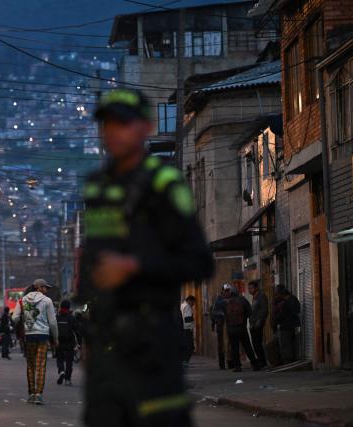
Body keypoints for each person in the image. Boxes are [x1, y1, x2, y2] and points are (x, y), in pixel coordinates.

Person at [79, 88, 213, 427]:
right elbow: (94, 261)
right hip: (107, 345)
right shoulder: (96, 186)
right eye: (107, 123)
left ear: (147, 127)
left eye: (123, 122)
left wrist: (135, 267)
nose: (113, 131)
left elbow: (199, 262)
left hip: (152, 340)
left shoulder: (164, 184)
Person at [12, 279, 58, 405]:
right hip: (43, 335)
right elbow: (53, 322)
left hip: (29, 335)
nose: (47, 290)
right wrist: (56, 338)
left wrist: (23, 323)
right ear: (39, 288)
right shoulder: (47, 301)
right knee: (41, 365)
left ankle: (31, 393)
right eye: (45, 287)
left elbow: (15, 318)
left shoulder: (23, 300)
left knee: (31, 365)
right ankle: (39, 394)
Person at [223, 285, 261, 372]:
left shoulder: (226, 302)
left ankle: (237, 366)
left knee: (234, 348)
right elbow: (250, 312)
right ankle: (255, 365)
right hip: (241, 328)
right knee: (247, 346)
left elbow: (223, 314)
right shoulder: (243, 300)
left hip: (231, 329)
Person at [273, 284, 301, 364]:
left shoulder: (288, 301)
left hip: (286, 326)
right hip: (291, 325)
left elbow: (283, 314)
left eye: (277, 293)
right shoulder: (292, 299)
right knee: (290, 344)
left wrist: (276, 319)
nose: (277, 295)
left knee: (286, 344)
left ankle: (288, 361)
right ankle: (291, 360)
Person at [56, 300, 79, 385]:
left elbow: (53, 329)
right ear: (69, 307)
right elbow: (77, 331)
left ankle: (61, 371)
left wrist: (52, 340)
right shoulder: (72, 318)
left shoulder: (57, 317)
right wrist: (79, 343)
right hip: (70, 342)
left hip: (59, 342)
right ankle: (67, 379)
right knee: (69, 361)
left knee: (60, 359)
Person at [248, 280, 268, 368]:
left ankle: (262, 362)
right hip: (253, 324)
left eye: (251, 288)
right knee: (255, 344)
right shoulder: (255, 297)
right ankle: (261, 361)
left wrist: (259, 322)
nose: (250, 290)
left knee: (257, 343)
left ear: (256, 288)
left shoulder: (261, 296)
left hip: (257, 324)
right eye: (249, 288)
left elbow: (264, 311)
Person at [211, 284, 230, 369]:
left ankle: (230, 362)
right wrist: (223, 314)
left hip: (228, 325)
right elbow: (214, 312)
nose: (227, 292)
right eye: (225, 291)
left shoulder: (229, 299)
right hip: (221, 325)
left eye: (228, 291)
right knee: (221, 345)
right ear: (222, 291)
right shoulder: (219, 300)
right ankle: (222, 364)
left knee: (229, 344)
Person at [180, 295, 196, 364]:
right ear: (190, 300)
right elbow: (188, 319)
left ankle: (183, 360)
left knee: (186, 345)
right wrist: (191, 328)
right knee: (190, 346)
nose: (193, 304)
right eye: (193, 302)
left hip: (183, 329)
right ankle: (185, 360)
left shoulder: (182, 305)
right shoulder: (187, 307)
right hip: (187, 329)